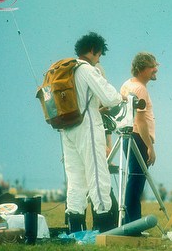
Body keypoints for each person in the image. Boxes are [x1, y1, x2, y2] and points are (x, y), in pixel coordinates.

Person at [60, 32, 123, 233]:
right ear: (94, 50)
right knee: (98, 175)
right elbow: (112, 98)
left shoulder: (69, 70)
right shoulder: (87, 70)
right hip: (87, 127)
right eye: (99, 54)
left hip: (68, 128)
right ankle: (104, 225)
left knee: (76, 179)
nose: (99, 59)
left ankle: (75, 227)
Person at [120, 52, 158, 224]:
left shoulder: (128, 84)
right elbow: (140, 121)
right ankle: (132, 223)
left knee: (134, 180)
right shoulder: (140, 89)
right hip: (138, 138)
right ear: (142, 69)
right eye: (152, 66)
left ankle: (130, 221)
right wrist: (150, 146)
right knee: (136, 181)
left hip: (129, 136)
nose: (155, 70)